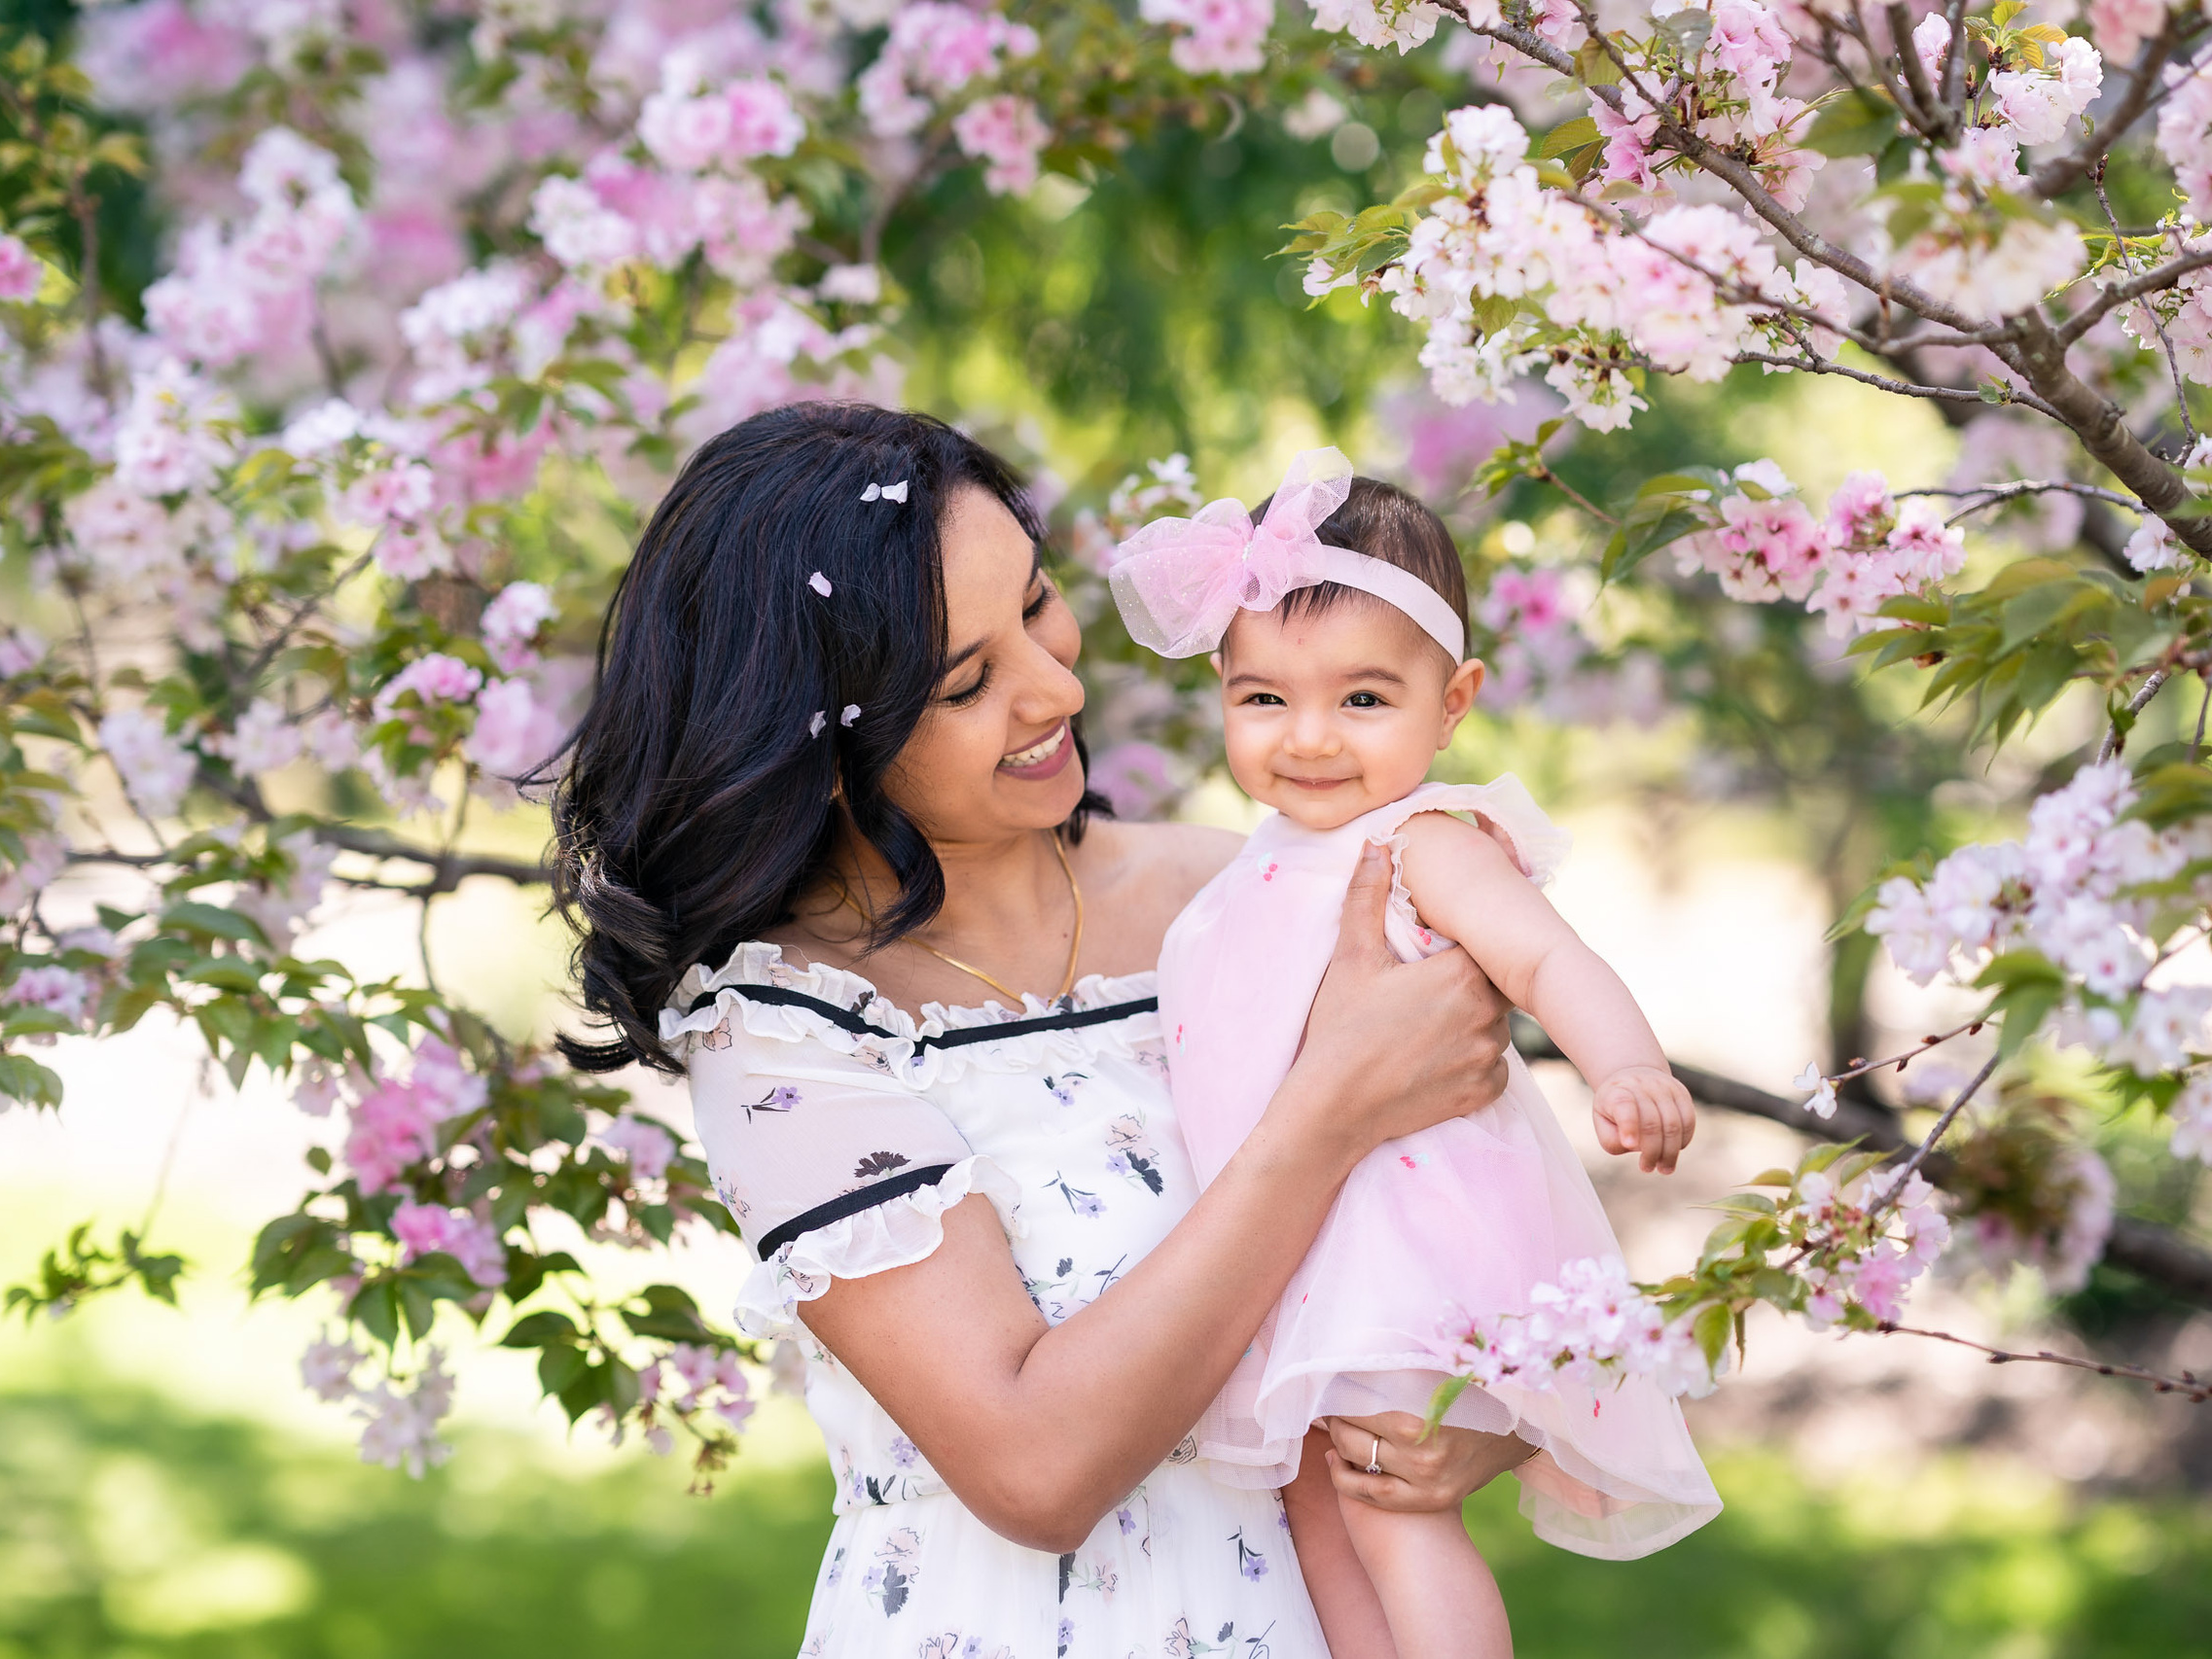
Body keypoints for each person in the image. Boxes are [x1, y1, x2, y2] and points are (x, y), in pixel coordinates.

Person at [551, 404, 1529, 1658]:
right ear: (817, 741)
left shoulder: (1238, 895)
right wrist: (1327, 1112)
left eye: (1038, 601)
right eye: (968, 681)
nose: (1059, 685)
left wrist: (1481, 1424)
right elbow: (1033, 1470)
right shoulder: (784, 1031)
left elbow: (1471, 1221)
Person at [1109, 447, 1724, 1659]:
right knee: (1316, 1512)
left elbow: (1547, 960)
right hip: (1280, 1249)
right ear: (1220, 691)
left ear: (1452, 701)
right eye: (1263, 698)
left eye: (1363, 699)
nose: (1309, 737)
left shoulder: (1422, 839)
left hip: (1391, 1238)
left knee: (1392, 1511)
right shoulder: (1249, 868)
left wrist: (1627, 1066)